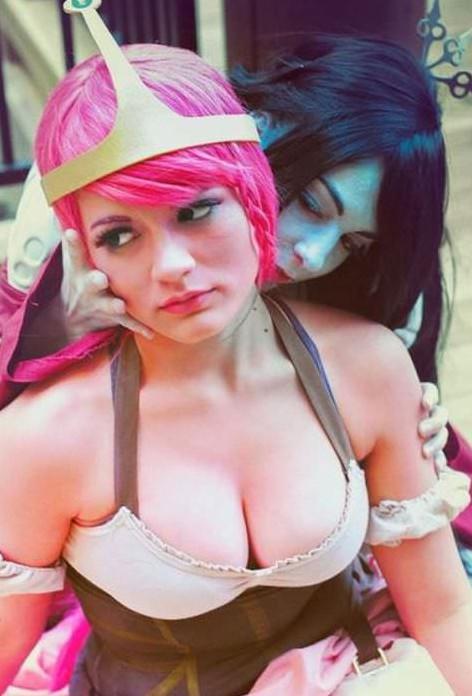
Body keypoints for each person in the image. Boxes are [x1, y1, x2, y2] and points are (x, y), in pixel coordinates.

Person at [0, 4, 471, 693]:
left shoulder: (363, 361)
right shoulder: (47, 420)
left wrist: (412, 426)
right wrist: (52, 332)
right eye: (120, 236)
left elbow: (444, 607)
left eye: (198, 211)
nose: (312, 255)